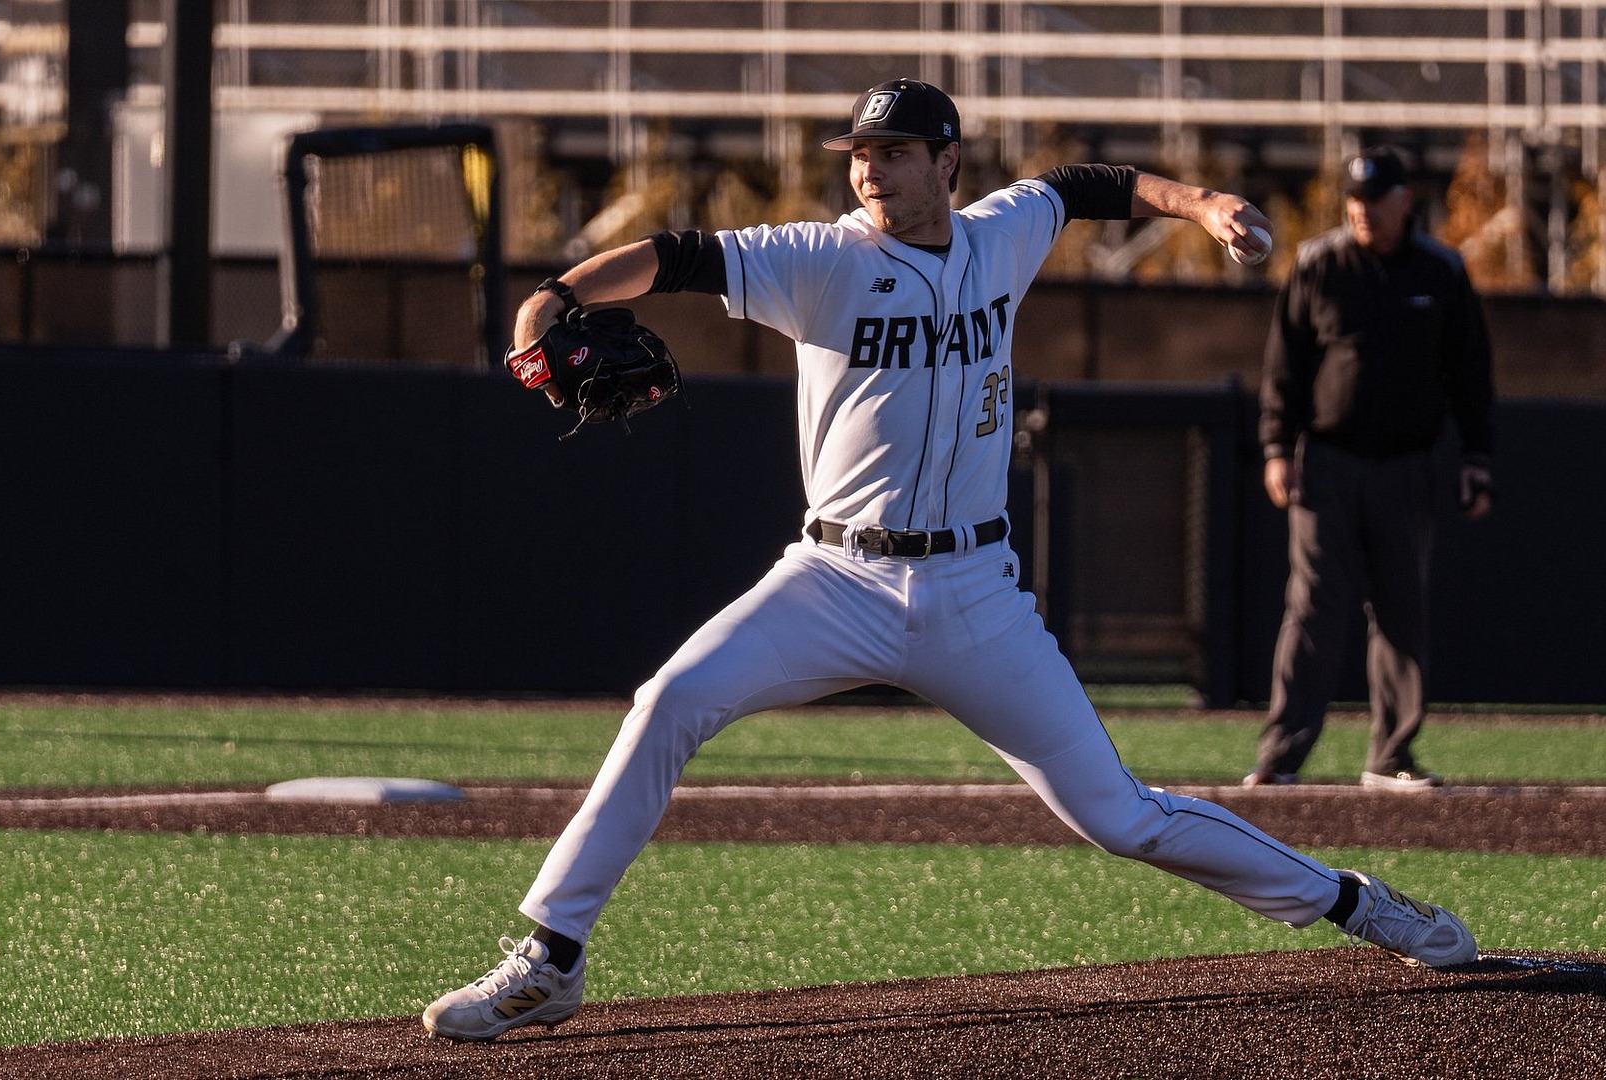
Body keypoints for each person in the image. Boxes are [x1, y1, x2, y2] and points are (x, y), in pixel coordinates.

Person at [422, 82, 1478, 1042]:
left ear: (948, 165)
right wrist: (553, 297)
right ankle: (552, 957)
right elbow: (680, 256)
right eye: (860, 153)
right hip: (833, 579)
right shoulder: (823, 257)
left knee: (1121, 816)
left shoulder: (1000, 235)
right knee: (668, 701)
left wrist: (1200, 202)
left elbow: (1092, 185)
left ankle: (1355, 902)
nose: (870, 169)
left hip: (975, 591)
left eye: (893, 151)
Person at [1245, 146, 1497, 793]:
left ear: (1404, 200)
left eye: (1374, 199)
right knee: (1313, 607)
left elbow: (1469, 374)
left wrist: (1476, 460)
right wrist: (1277, 447)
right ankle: (1281, 756)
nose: (1362, 212)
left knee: (1401, 611)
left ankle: (1392, 755)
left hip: (1407, 465)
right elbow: (1284, 366)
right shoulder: (1320, 264)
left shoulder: (1441, 271)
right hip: (1326, 462)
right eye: (1353, 199)